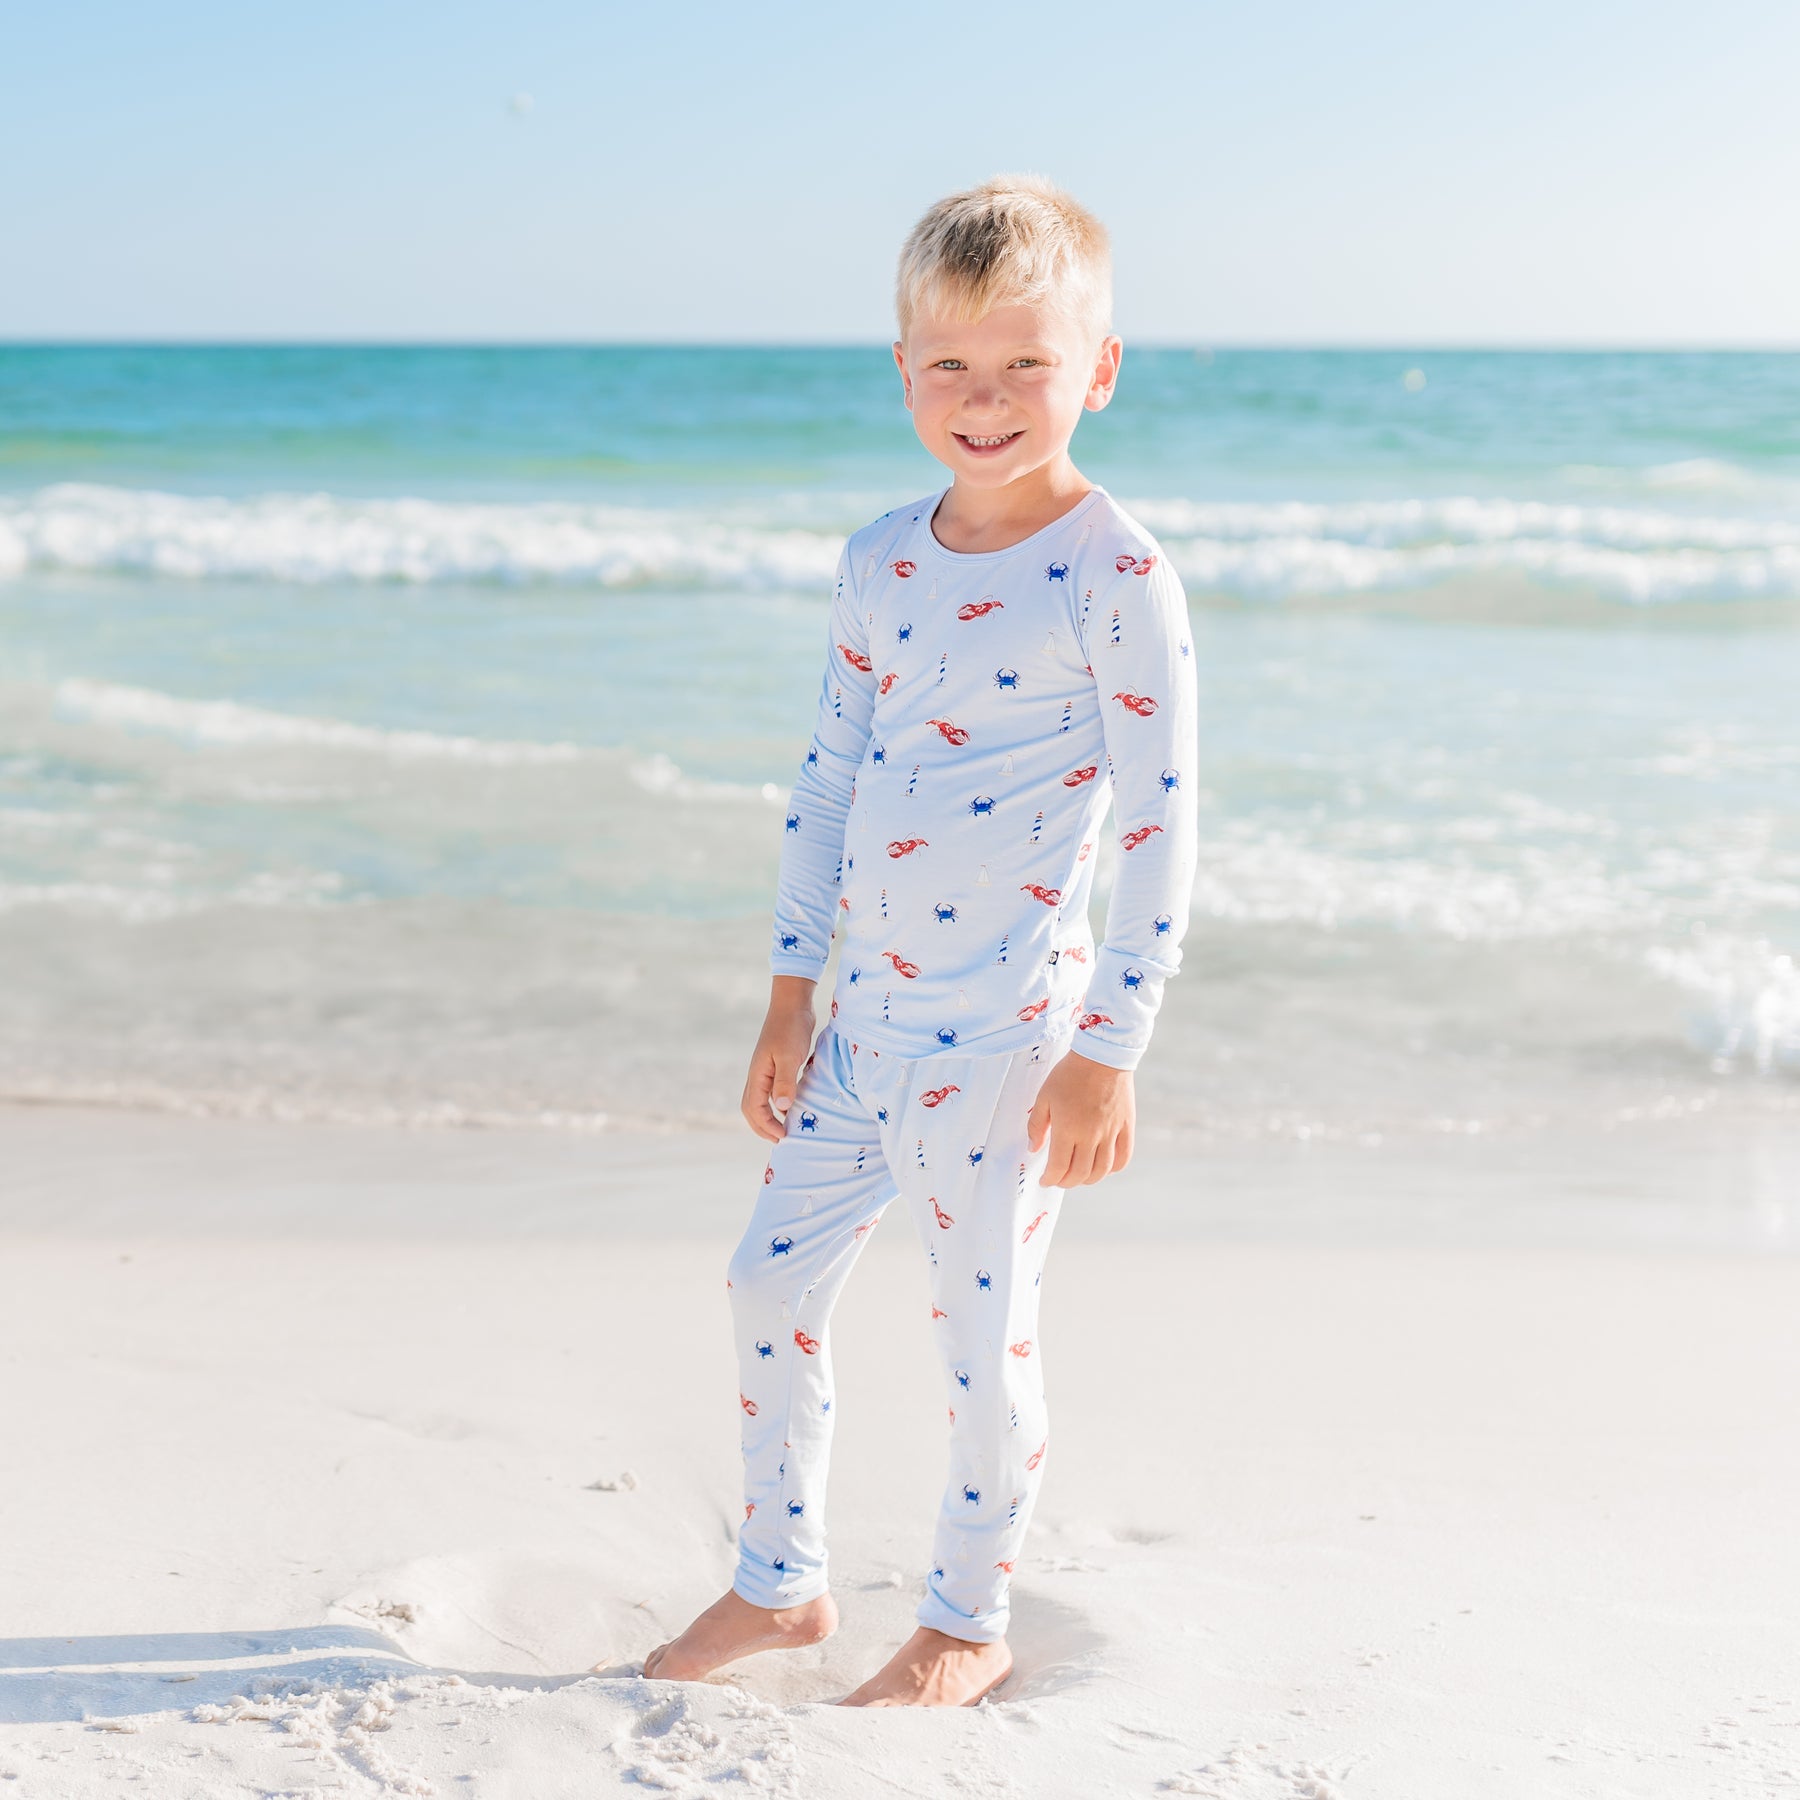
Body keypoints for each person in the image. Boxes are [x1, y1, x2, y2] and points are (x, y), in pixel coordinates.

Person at [639, 174, 1198, 1708]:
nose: (987, 399)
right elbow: (828, 779)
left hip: (1011, 1035)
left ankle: (965, 1621)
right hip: (860, 1027)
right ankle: (782, 1585)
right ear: (902, 372)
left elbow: (1160, 831)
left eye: (1027, 364)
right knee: (769, 1286)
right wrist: (785, 991)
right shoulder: (880, 557)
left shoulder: (1118, 572)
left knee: (980, 1340)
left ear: (1098, 369)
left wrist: (1110, 1053)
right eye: (951, 365)